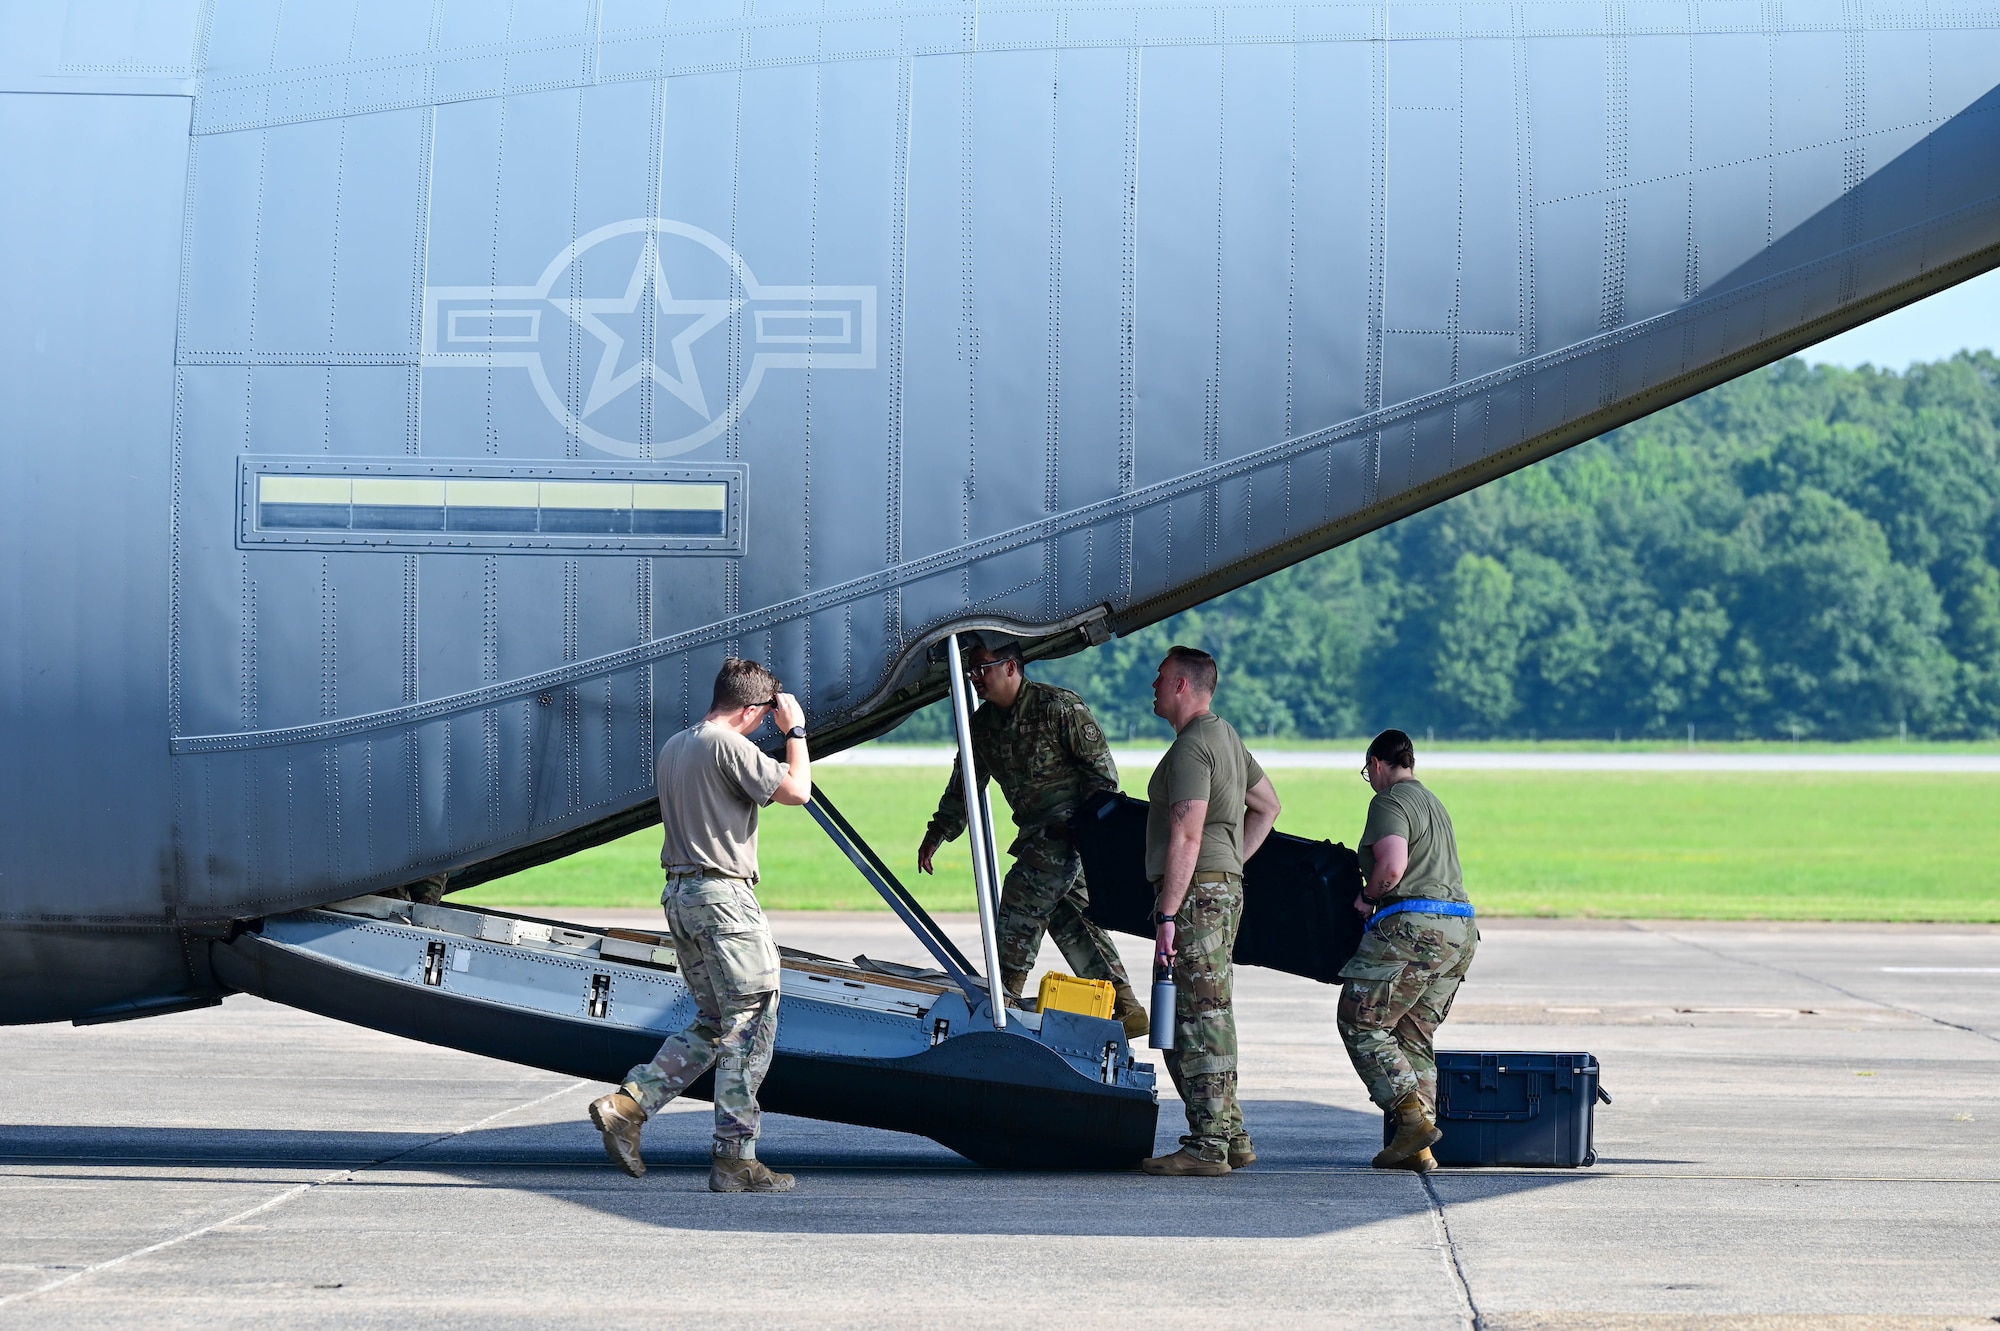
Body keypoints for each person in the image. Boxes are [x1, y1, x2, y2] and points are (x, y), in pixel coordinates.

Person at [588, 658, 812, 1192]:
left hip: (682, 894)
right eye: (763, 718)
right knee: (751, 1024)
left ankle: (629, 1106)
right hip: (724, 899)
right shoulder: (726, 743)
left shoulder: (676, 745)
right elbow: (798, 790)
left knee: (715, 1023)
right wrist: (796, 731)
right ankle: (735, 1159)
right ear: (753, 709)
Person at [918, 639, 1149, 1039]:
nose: (975, 678)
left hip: (1069, 833)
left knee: (1020, 905)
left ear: (1011, 667)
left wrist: (1088, 834)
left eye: (982, 669)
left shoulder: (1058, 707)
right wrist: (938, 831)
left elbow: (1103, 777)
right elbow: (965, 784)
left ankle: (1002, 1004)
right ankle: (1124, 1008)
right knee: (1071, 919)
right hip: (1036, 834)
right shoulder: (982, 725)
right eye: (971, 670)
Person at [1139, 646, 1282, 1176]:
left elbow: (1186, 831)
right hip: (1218, 886)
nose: (1153, 686)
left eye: (1159, 678)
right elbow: (1267, 806)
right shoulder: (1227, 737)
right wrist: (1232, 865)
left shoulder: (1193, 749)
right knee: (1194, 1010)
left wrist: (1168, 916)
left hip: (1195, 893)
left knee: (1200, 1014)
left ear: (1181, 685)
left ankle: (1207, 1148)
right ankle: (1231, 1134)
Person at [1337, 728, 1478, 1174]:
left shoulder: (1390, 801)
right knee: (1413, 1032)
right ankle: (1417, 1147)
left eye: (1368, 772)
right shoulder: (1433, 802)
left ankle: (1412, 1118)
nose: (1371, 780)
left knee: (1360, 1021)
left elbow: (1393, 866)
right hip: (1459, 931)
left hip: (1415, 927)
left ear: (1377, 764)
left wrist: (1368, 894)